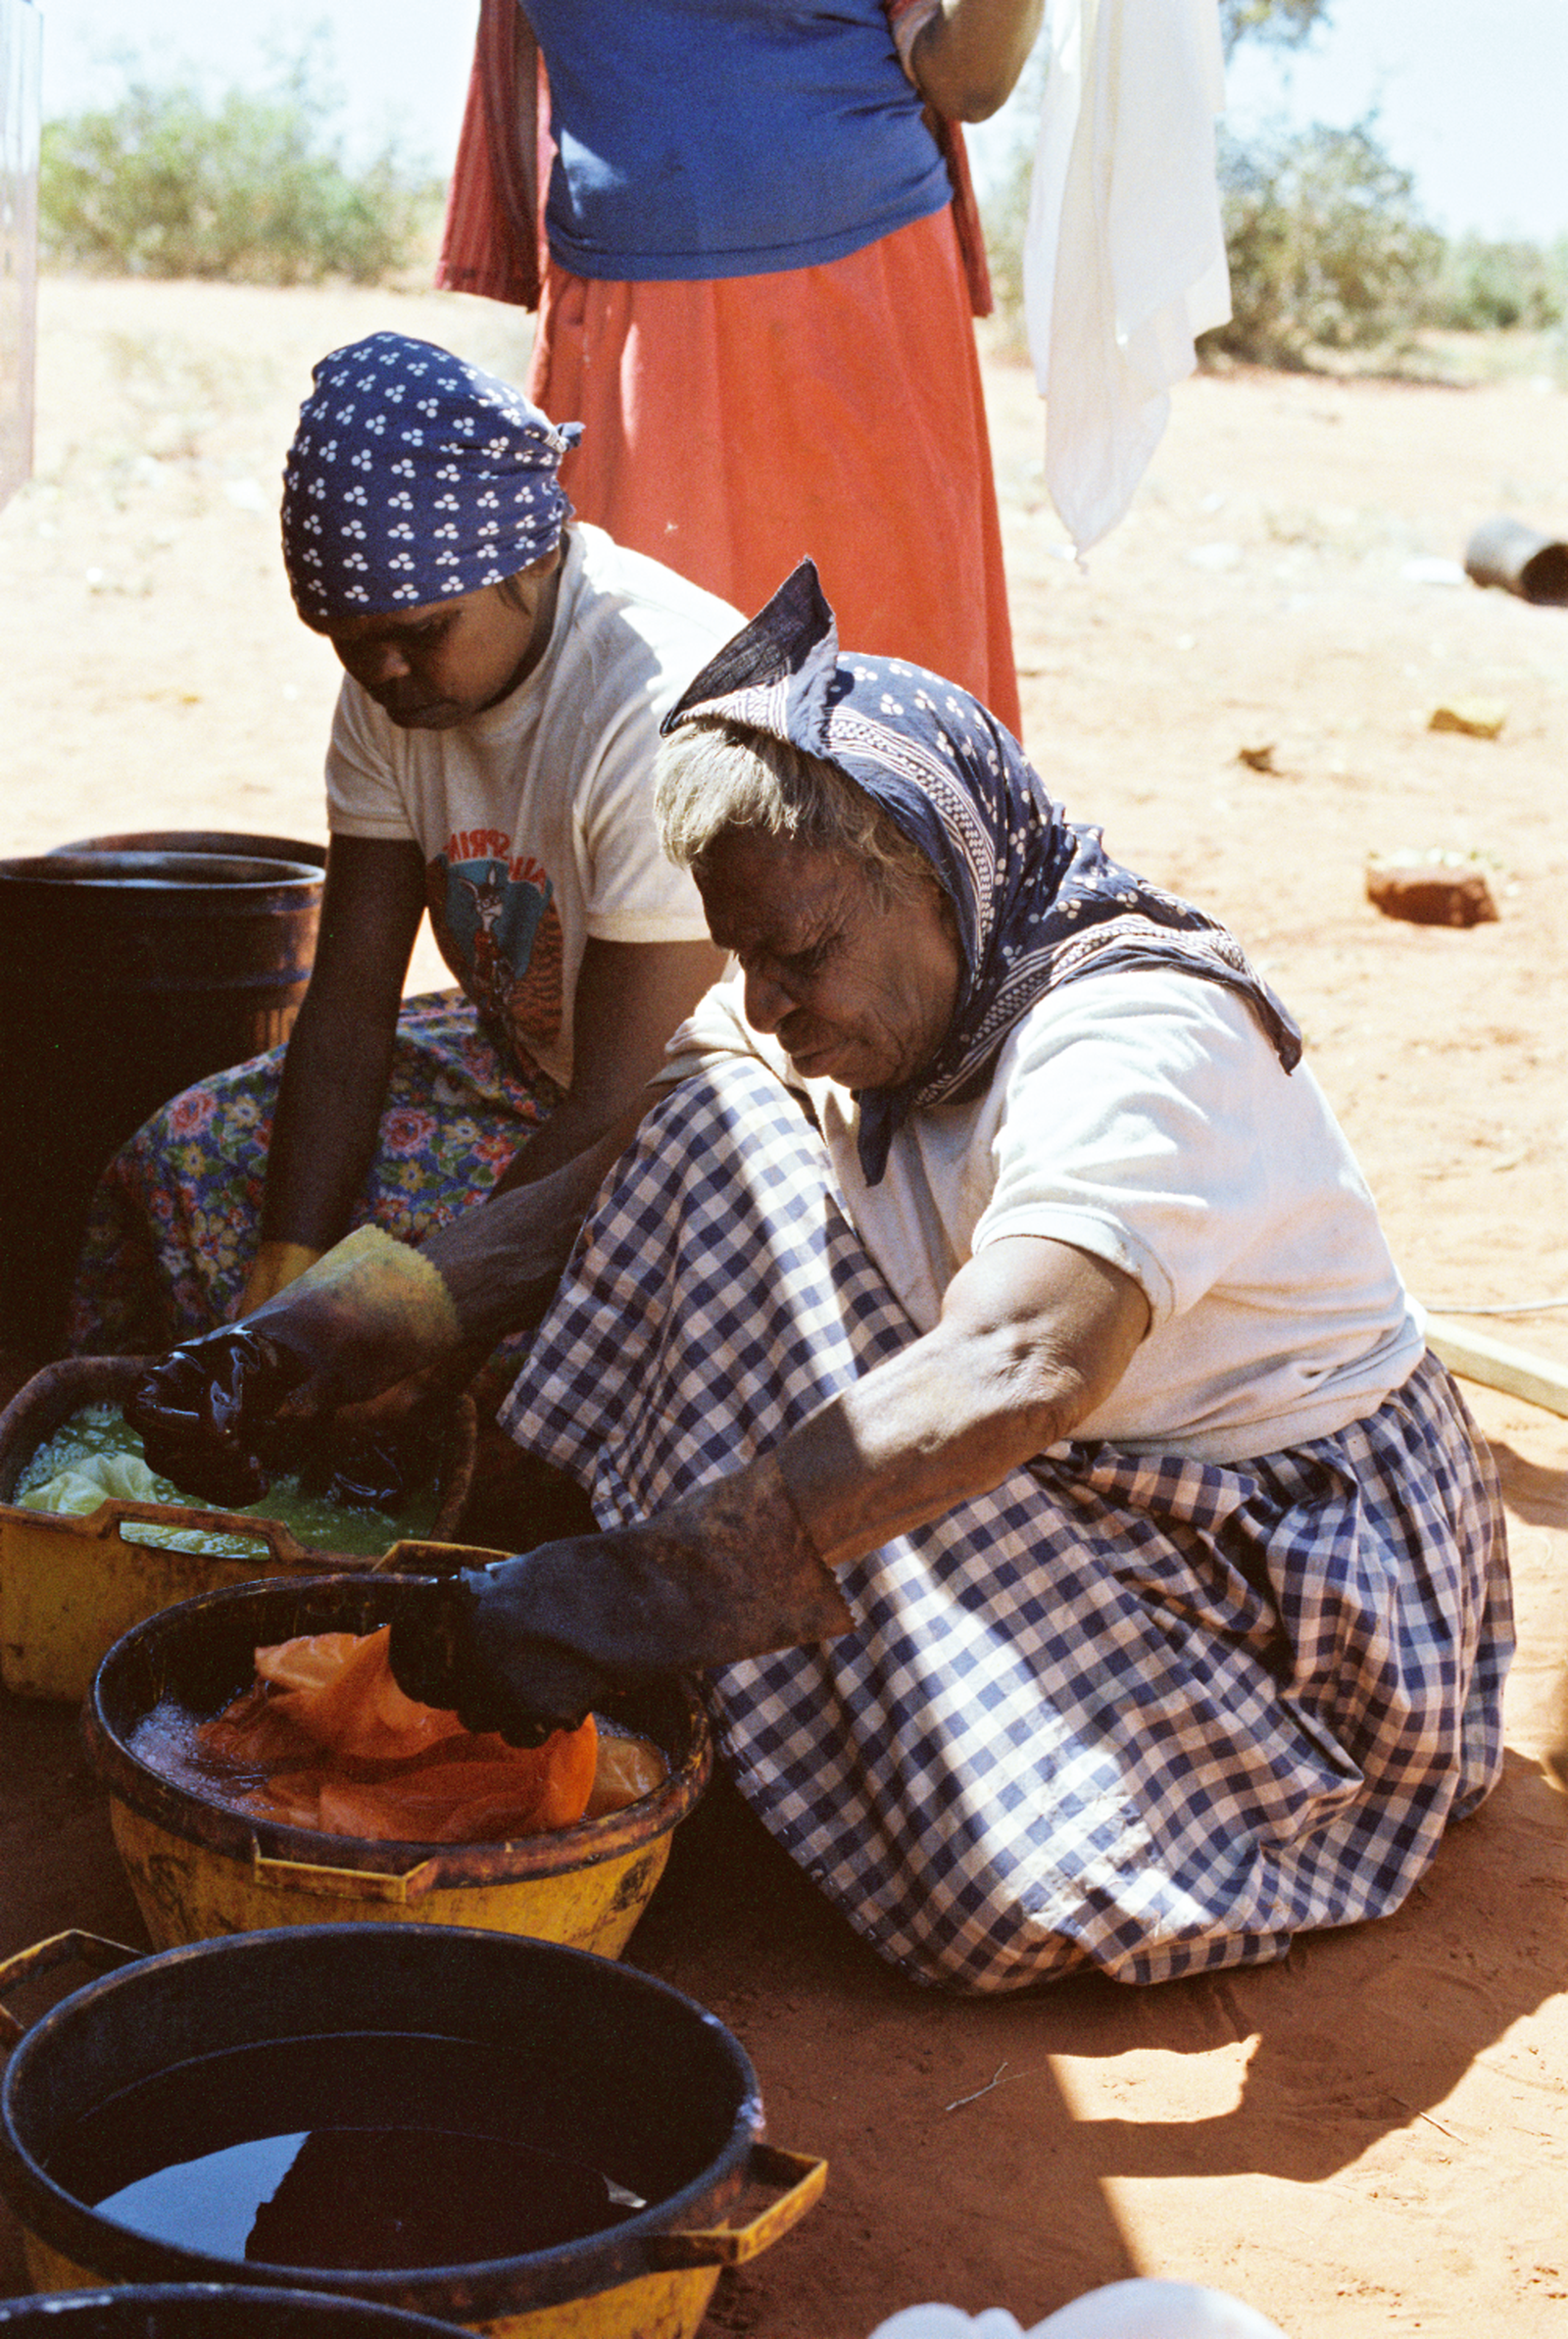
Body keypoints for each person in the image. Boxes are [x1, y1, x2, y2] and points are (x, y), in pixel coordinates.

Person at [128, 565, 1512, 1993]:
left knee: (999, 1885)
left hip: (1273, 1585)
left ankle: (1032, 1789)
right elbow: (590, 1194)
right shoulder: (880, 990)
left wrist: (629, 1593)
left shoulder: (1138, 1042)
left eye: (800, 956)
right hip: (1085, 1476)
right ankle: (745, 1685)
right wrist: (323, 1335)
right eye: (747, 957)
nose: (773, 1006)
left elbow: (1020, 1369)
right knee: (702, 1129)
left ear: (930, 872)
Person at [68, 331, 732, 1361]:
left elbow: (621, 1103)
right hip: (527, 1066)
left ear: (538, 555)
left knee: (547, 1331)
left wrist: (412, 1305)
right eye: (348, 639)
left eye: (421, 633)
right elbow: (346, 1009)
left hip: (689, 1112)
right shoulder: (391, 681)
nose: (382, 669)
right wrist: (286, 1269)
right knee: (193, 1154)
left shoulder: (655, 709)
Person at [436, 0, 1036, 733]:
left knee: (884, 724)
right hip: (632, 309)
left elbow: (969, 78)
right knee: (643, 718)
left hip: (856, 293)